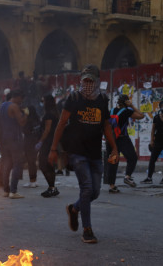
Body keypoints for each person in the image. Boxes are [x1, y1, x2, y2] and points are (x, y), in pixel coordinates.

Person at [48, 64, 119, 244]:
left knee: (94, 192)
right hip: (77, 152)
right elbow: (62, 123)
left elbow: (106, 126)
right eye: (84, 80)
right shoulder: (73, 98)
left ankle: (74, 209)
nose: (87, 84)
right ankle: (87, 230)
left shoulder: (102, 99)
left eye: (90, 81)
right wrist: (53, 149)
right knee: (86, 189)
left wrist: (115, 148)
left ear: (97, 81)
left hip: (95, 153)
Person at [105, 94, 144, 192]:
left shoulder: (112, 110)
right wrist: (132, 106)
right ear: (126, 102)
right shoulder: (127, 111)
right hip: (122, 139)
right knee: (132, 158)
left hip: (111, 139)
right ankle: (127, 176)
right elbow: (141, 115)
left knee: (113, 161)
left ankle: (112, 186)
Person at [0, 89, 27, 199]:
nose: (21, 101)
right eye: (21, 99)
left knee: (7, 164)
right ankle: (13, 191)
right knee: (17, 164)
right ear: (17, 97)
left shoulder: (2, 106)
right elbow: (22, 122)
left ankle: (6, 190)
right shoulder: (14, 106)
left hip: (4, 138)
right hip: (14, 139)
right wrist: (25, 113)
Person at [140, 100, 163, 185]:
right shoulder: (156, 117)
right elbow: (153, 130)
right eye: (162, 105)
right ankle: (149, 178)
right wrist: (152, 140)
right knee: (152, 159)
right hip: (158, 141)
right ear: (159, 107)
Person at [35, 94, 60, 197]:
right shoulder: (55, 113)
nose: (43, 103)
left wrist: (40, 141)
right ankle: (52, 187)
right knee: (49, 165)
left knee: (43, 164)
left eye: (43, 101)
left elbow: (47, 129)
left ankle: (52, 187)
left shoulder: (49, 115)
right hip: (52, 141)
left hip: (47, 142)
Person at [22, 105, 40, 188]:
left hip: (28, 142)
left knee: (30, 162)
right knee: (33, 162)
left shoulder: (28, 120)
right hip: (36, 142)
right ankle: (34, 180)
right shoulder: (37, 119)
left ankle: (32, 180)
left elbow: (24, 130)